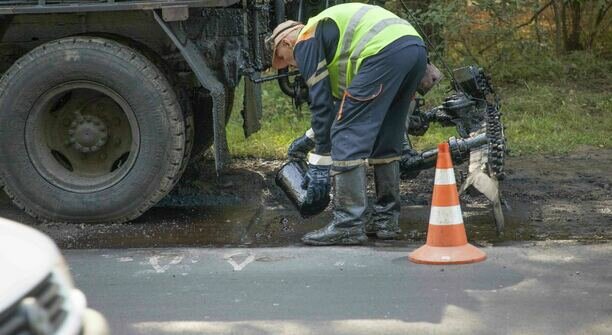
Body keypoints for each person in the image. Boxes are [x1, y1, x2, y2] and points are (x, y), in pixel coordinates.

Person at [267, 3, 439, 245]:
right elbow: (339, 110)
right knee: (386, 139)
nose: (292, 66)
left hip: (384, 52)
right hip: (413, 49)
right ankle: (385, 221)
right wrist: (309, 139)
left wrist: (318, 165)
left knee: (346, 136)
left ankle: (348, 224)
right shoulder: (335, 46)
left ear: (286, 42)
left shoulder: (306, 38)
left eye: (286, 60)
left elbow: (322, 106)